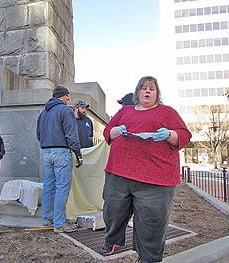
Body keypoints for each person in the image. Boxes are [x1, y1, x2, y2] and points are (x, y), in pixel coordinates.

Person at [101, 76, 192, 262]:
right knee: (113, 210)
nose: (147, 91)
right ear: (137, 93)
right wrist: (119, 130)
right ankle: (112, 240)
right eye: (143, 88)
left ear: (157, 93)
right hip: (119, 172)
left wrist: (170, 134)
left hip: (155, 178)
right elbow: (108, 131)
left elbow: (184, 135)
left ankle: (148, 257)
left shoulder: (167, 112)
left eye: (151, 89)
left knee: (152, 221)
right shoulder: (124, 111)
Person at [36, 85, 83, 233]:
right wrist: (78, 153)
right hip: (61, 152)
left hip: (46, 152)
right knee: (62, 187)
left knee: (49, 186)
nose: (69, 98)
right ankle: (59, 224)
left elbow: (39, 134)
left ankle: (47, 219)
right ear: (62, 96)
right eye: (68, 96)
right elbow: (71, 134)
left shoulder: (43, 113)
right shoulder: (65, 110)